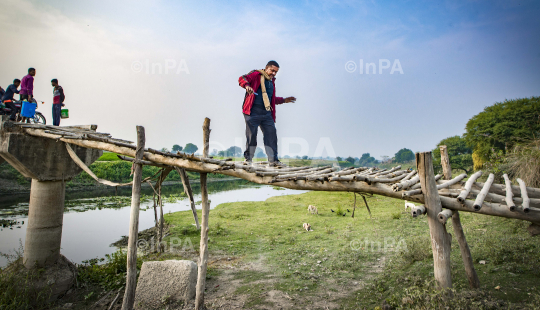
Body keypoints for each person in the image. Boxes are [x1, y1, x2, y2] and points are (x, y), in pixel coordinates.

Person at [238, 60, 296, 166]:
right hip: (252, 112)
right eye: (272, 70)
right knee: (252, 136)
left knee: (271, 135)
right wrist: (246, 86)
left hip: (266, 113)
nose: (273, 73)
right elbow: (242, 78)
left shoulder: (271, 82)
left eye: (276, 72)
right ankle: (248, 160)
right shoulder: (256, 74)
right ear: (266, 68)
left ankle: (273, 161)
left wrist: (284, 100)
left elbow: (271, 100)